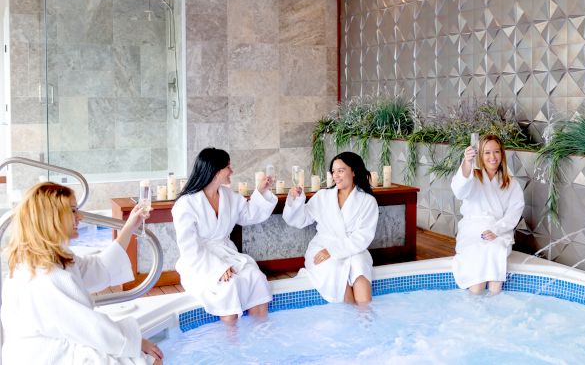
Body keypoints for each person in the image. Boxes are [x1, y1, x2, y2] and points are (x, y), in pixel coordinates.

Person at [1, 182, 163, 364]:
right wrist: (136, 342)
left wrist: (130, 226)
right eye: (72, 211)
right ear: (51, 217)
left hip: (53, 348)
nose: (80, 216)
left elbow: (99, 268)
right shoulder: (46, 276)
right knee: (148, 360)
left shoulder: (46, 259)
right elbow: (90, 327)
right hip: (47, 356)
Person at [172, 148, 277, 324]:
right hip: (201, 263)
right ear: (215, 171)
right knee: (229, 287)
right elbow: (189, 248)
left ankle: (260, 337)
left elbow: (248, 214)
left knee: (256, 278)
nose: (232, 170)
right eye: (228, 166)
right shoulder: (186, 204)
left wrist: (261, 191)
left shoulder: (228, 196)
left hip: (228, 255)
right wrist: (217, 269)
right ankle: (230, 343)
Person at [282, 151, 378, 305]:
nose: (335, 176)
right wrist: (296, 199)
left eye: (341, 171)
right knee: (335, 272)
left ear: (353, 172)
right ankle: (349, 319)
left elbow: (363, 237)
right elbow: (300, 220)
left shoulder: (368, 201)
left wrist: (333, 250)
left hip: (353, 249)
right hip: (322, 248)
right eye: (333, 172)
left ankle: (365, 321)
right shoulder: (323, 196)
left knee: (360, 270)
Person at [451, 134, 525, 295]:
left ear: (502, 154)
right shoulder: (472, 175)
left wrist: (496, 230)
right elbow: (459, 191)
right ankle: (477, 302)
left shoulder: (511, 183)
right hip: (472, 231)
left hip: (499, 232)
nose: (493, 157)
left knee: (495, 249)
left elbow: (515, 212)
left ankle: (493, 299)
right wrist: (467, 162)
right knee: (477, 268)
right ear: (480, 155)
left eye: (497, 152)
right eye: (487, 152)